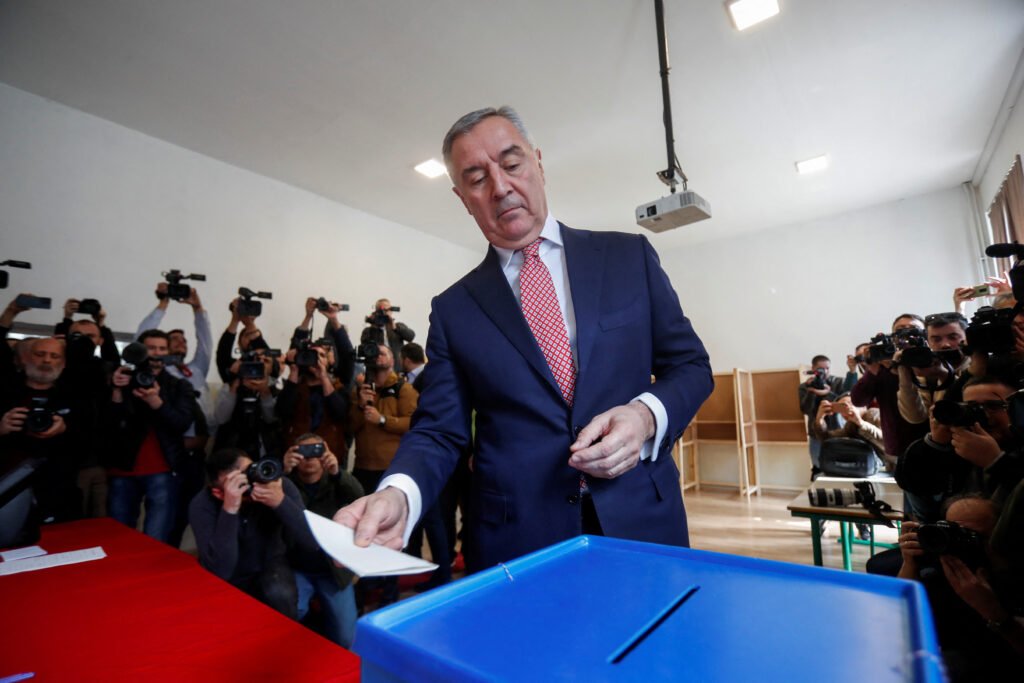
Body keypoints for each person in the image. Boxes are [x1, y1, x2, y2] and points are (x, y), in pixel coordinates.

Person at [335, 106, 712, 574]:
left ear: (538, 163)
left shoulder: (627, 257)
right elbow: (438, 429)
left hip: (642, 519)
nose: (499, 186)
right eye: (476, 178)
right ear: (462, 198)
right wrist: (400, 492)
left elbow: (691, 367)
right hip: (517, 541)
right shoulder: (454, 309)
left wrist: (644, 416)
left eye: (511, 164)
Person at [189, 448, 321, 619]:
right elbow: (220, 571)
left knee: (280, 594)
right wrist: (229, 509)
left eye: (250, 471)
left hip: (270, 563)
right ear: (218, 493)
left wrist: (280, 502)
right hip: (231, 570)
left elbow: (312, 542)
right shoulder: (202, 505)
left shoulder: (278, 485)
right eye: (238, 482)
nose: (252, 483)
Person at [105, 329, 194, 544]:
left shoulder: (179, 385)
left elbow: (181, 423)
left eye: (162, 349)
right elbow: (108, 424)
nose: (157, 353)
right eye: (151, 348)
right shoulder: (122, 379)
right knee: (119, 537)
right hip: (122, 468)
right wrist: (116, 391)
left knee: (157, 539)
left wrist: (157, 403)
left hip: (163, 469)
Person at [283, 434, 363, 647]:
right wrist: (282, 473)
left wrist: (337, 473)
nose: (309, 458)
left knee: (347, 637)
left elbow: (359, 495)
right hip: (298, 566)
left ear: (326, 454)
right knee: (291, 612)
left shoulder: (337, 482)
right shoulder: (286, 484)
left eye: (316, 451)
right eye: (302, 452)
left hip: (332, 570)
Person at [798, 354, 853, 479]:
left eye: (827, 368)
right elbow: (805, 410)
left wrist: (828, 393)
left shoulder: (839, 382)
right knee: (818, 469)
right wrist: (811, 392)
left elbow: (843, 404)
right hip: (816, 433)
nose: (825, 372)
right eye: (821, 369)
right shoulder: (805, 387)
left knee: (840, 468)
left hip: (838, 431)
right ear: (813, 368)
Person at [360, 299, 414, 372]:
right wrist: (374, 326)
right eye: (381, 310)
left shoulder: (398, 326)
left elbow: (411, 337)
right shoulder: (368, 330)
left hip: (397, 370)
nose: (383, 312)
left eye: (386, 310)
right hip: (377, 371)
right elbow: (367, 348)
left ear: (391, 311)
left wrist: (395, 327)